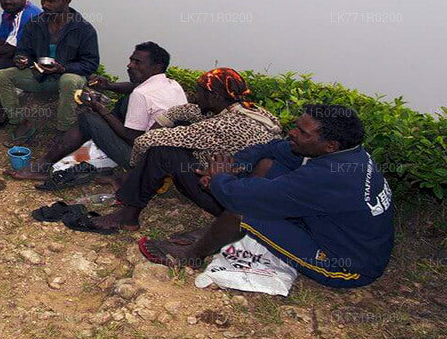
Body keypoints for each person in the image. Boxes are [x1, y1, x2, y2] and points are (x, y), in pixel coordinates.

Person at [138, 105, 394, 289]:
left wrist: (219, 178)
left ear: (330, 146)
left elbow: (239, 199)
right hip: (326, 226)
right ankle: (220, 232)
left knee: (245, 211)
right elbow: (270, 149)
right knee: (268, 164)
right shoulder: (347, 155)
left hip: (346, 266)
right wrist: (235, 165)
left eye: (303, 133)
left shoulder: (331, 176)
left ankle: (192, 255)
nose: (292, 133)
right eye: (296, 126)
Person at [82, 68, 281, 233]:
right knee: (181, 129)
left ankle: (128, 216)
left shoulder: (220, 126)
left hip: (229, 204)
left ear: (214, 97)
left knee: (162, 152)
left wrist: (135, 167)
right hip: (251, 194)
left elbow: (147, 140)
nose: (195, 96)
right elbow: (187, 110)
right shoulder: (257, 113)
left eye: (199, 92)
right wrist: (165, 119)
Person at [11, 41, 186, 186]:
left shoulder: (142, 95)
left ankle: (42, 166)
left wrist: (101, 110)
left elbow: (133, 138)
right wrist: (109, 86)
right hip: (169, 157)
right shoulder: (171, 84)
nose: (130, 65)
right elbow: (134, 88)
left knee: (87, 119)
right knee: (126, 101)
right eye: (131, 60)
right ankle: (100, 148)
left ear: (157, 66)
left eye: (137, 62)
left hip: (143, 160)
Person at [0, 0, 99, 143]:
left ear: (66, 1)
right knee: (1, 76)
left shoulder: (83, 29)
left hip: (67, 77)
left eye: (51, 1)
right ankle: (21, 122)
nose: (45, 5)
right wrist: (22, 59)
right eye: (43, 0)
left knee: (69, 80)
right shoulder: (36, 24)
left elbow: (91, 63)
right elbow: (23, 50)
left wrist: (62, 69)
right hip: (39, 75)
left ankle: (64, 130)